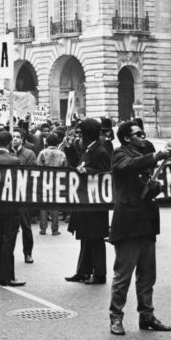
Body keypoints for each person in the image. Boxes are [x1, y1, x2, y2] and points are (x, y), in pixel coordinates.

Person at [108, 121, 171, 336]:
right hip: (128, 226)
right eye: (139, 133)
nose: (143, 136)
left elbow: (145, 187)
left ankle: (147, 316)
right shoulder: (120, 154)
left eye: (143, 133)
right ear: (127, 138)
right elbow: (126, 166)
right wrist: (156, 157)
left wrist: (155, 186)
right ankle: (116, 318)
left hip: (146, 224)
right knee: (123, 277)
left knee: (147, 277)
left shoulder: (141, 157)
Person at [65, 118, 111, 285]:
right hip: (85, 202)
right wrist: (69, 149)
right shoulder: (88, 149)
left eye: (80, 133)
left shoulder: (100, 151)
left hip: (95, 204)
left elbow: (106, 174)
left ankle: (99, 274)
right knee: (85, 238)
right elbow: (77, 164)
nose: (78, 136)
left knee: (96, 240)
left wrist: (89, 171)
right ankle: (83, 271)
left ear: (87, 135)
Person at [0, 130, 25, 286]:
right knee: (9, 240)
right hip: (11, 205)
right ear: (10, 143)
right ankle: (7, 276)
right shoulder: (14, 161)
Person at [11, 128, 36, 264]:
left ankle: (28, 253)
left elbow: (33, 173)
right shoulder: (7, 152)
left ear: (22, 140)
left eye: (17, 137)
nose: (15, 139)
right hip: (9, 196)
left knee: (26, 226)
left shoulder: (29, 154)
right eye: (13, 137)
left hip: (23, 195)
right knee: (10, 228)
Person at [36, 133, 66, 235]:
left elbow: (38, 167)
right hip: (57, 182)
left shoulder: (42, 153)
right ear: (57, 142)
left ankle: (43, 228)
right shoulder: (62, 154)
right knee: (55, 206)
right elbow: (65, 168)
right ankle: (55, 229)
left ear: (46, 142)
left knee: (43, 206)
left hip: (44, 181)